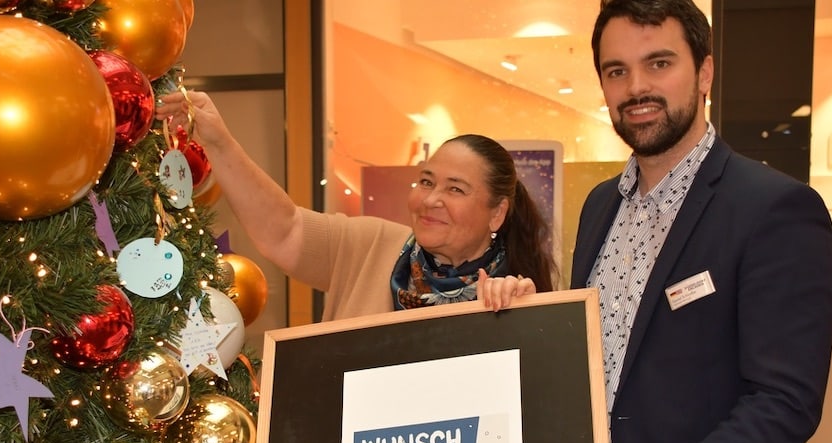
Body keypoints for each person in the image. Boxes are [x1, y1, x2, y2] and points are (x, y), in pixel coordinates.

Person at [574, 1, 832, 443]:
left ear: (705, 71)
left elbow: (784, 402)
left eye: (659, 63)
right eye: (616, 70)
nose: (636, 87)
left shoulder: (774, 209)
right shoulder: (599, 208)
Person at [155, 91, 557, 319]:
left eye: (455, 189)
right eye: (427, 181)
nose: (431, 199)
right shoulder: (371, 245)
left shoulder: (514, 294)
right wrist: (220, 141)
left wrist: (513, 312)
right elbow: (285, 229)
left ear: (497, 212)